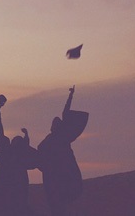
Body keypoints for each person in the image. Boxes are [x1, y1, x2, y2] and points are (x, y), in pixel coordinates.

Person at [0, 93, 38, 215]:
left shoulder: (10, 154)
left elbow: (1, 132)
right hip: (6, 185)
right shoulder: (10, 154)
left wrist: (26, 136)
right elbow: (1, 131)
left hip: (12, 186)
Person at [38, 86, 88, 216]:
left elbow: (65, 113)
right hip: (53, 175)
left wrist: (70, 96)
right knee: (56, 202)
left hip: (63, 174)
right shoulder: (53, 138)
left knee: (60, 201)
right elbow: (41, 152)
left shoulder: (62, 138)